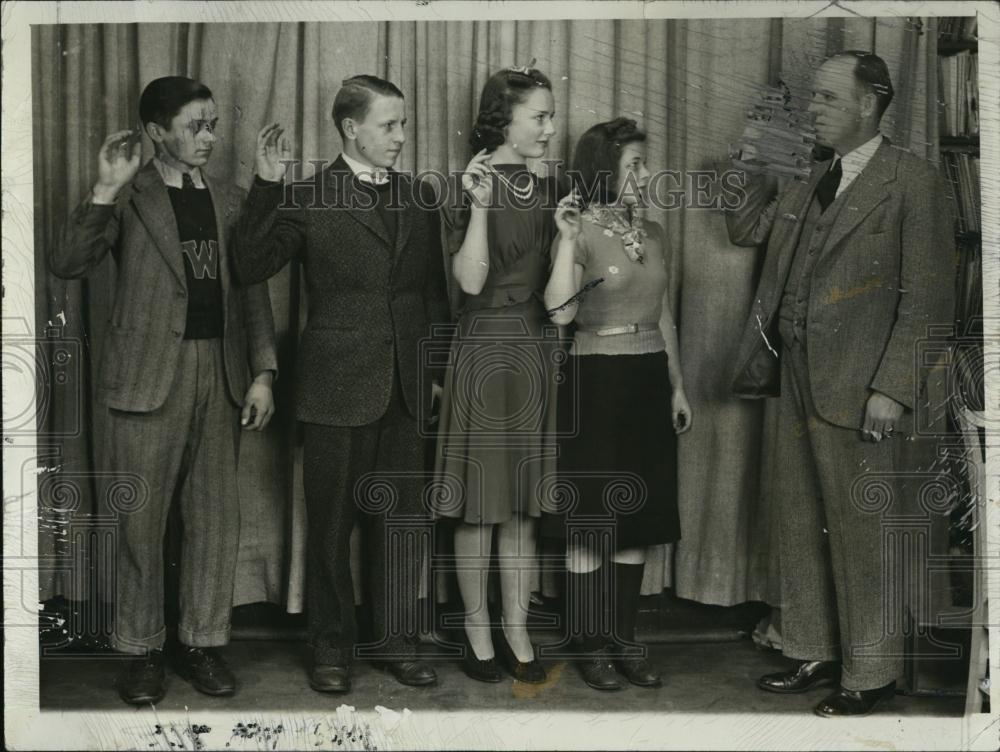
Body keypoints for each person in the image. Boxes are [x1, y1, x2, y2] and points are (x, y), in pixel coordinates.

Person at [725, 51, 955, 716]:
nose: (812, 111)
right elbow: (744, 229)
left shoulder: (913, 181)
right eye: (812, 99)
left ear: (868, 103)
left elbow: (929, 299)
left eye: (826, 99)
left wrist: (894, 388)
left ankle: (871, 674)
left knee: (862, 532)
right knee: (800, 523)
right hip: (794, 377)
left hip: (862, 390)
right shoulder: (807, 176)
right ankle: (813, 646)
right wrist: (755, 157)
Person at [50, 76, 278, 705]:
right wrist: (103, 188)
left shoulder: (230, 200)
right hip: (147, 377)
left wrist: (262, 371)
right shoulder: (130, 196)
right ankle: (142, 649)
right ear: (156, 133)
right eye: (194, 126)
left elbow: (252, 287)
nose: (209, 137)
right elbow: (67, 263)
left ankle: (201, 643)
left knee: (214, 521)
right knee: (140, 521)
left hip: (221, 373)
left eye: (212, 125)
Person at [233, 75, 449, 694]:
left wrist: (432, 375)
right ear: (351, 128)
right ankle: (331, 650)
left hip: (407, 388)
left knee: (403, 523)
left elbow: (433, 296)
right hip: (334, 388)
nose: (402, 137)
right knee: (330, 528)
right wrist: (266, 186)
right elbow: (249, 265)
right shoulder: (305, 195)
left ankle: (398, 644)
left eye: (404, 124)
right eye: (390, 125)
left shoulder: (419, 198)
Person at [433, 65, 570, 684]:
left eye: (549, 115)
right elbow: (468, 281)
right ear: (503, 120)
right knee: (481, 505)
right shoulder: (474, 181)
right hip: (486, 344)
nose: (549, 127)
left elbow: (562, 297)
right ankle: (476, 629)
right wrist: (483, 205)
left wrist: (569, 240)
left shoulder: (552, 185)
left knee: (519, 505)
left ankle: (517, 627)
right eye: (538, 116)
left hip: (536, 346)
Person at [543, 117, 691, 690]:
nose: (646, 174)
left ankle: (626, 640)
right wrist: (563, 240)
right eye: (635, 164)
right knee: (591, 522)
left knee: (639, 520)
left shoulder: (654, 234)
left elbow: (665, 315)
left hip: (649, 377)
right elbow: (560, 314)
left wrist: (677, 385)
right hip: (594, 378)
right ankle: (590, 645)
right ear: (605, 169)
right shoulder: (578, 229)